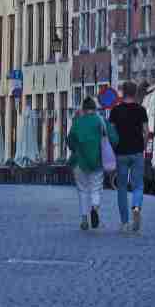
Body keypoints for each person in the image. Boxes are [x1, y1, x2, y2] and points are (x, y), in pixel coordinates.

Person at [66, 97, 117, 231]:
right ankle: (94, 208)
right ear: (95, 108)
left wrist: (77, 148)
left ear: (83, 109)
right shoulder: (101, 121)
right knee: (96, 188)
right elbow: (114, 139)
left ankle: (84, 219)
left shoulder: (77, 122)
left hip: (79, 161)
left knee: (82, 190)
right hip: (97, 161)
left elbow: (70, 142)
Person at [110, 81, 150, 233]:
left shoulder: (115, 110)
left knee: (121, 187)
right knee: (138, 185)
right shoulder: (141, 110)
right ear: (135, 93)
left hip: (121, 153)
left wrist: (113, 148)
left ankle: (125, 222)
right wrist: (143, 146)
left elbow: (111, 132)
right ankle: (136, 207)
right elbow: (146, 131)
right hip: (137, 152)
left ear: (123, 92)